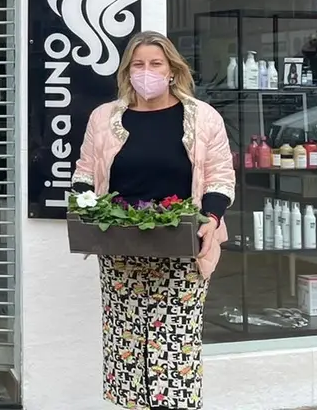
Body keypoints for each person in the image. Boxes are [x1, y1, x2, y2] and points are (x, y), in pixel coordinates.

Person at [72, 31, 235, 410]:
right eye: (138, 65)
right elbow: (84, 171)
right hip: (121, 249)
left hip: (182, 249)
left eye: (155, 64)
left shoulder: (202, 118)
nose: (147, 72)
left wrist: (210, 217)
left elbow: (220, 176)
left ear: (172, 69)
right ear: (127, 72)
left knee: (175, 351)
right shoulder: (104, 118)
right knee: (125, 347)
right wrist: (83, 205)